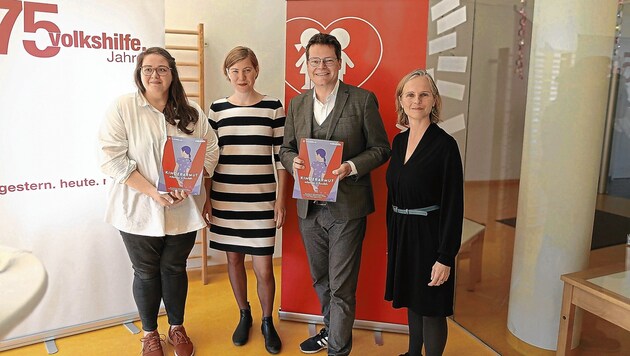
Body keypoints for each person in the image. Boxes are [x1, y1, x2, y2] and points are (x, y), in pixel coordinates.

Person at [98, 47, 219, 356]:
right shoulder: (123, 107)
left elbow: (211, 148)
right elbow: (112, 158)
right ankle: (150, 334)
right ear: (139, 73)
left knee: (175, 269)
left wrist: (188, 184)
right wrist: (153, 191)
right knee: (146, 272)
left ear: (172, 73)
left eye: (162, 69)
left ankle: (177, 327)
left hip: (183, 208)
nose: (155, 75)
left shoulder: (191, 111)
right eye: (148, 69)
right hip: (138, 209)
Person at [279, 33, 391, 356]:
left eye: (328, 60)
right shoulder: (297, 104)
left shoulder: (362, 100)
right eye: (314, 61)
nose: (321, 66)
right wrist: (293, 161)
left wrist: (351, 167)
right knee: (321, 279)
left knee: (342, 286)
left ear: (339, 64)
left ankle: (338, 350)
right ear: (307, 65)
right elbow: (285, 149)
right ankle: (332, 329)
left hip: (347, 208)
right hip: (309, 210)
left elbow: (381, 149)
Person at [204, 46, 287, 355]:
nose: (241, 76)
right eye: (235, 71)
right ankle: (244, 313)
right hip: (226, 198)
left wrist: (281, 200)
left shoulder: (273, 107)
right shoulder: (216, 109)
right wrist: (209, 198)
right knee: (234, 259)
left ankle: (267, 321)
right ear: (227, 73)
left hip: (262, 199)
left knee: (264, 268)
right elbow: (210, 157)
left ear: (256, 71)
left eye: (247, 70)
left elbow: (282, 158)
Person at [384, 69, 464, 356]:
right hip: (403, 234)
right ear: (401, 101)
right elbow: (393, 196)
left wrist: (445, 256)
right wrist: (391, 241)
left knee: (431, 307)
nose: (416, 100)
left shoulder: (445, 146)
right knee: (413, 300)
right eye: (410, 94)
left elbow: (454, 205)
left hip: (431, 237)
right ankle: (412, 353)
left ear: (434, 101)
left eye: (423, 94)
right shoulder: (399, 142)